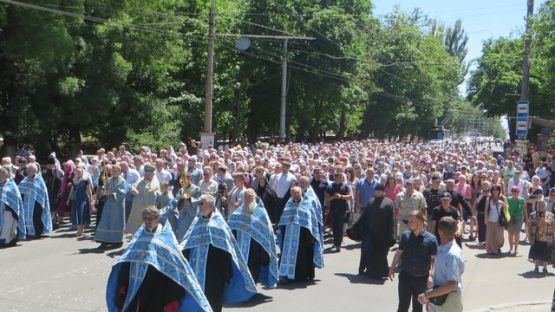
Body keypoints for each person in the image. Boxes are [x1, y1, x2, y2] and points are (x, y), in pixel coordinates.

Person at [106, 206, 212, 312]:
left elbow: (175, 270)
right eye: (145, 218)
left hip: (157, 291)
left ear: (157, 219)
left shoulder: (165, 240)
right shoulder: (139, 237)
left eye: (150, 219)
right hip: (135, 289)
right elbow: (127, 261)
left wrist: (171, 298)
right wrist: (123, 283)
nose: (147, 221)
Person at [181, 194, 257, 312]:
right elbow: (187, 245)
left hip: (214, 274)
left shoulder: (218, 224)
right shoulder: (196, 222)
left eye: (202, 203)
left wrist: (225, 274)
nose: (199, 206)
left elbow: (226, 251)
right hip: (195, 271)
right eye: (199, 203)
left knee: (213, 303)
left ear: (211, 207)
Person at [228, 189, 278, 287]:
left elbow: (267, 230)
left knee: (254, 266)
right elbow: (231, 225)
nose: (247, 198)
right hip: (241, 245)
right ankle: (245, 289)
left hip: (256, 244)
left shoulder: (261, 212)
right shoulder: (238, 211)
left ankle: (252, 287)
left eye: (250, 196)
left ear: (254, 197)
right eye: (246, 196)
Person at [389, 210, 438, 312]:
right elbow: (398, 252)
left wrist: (431, 276)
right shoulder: (405, 235)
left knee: (417, 308)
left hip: (421, 280)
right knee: (402, 306)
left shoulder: (431, 239)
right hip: (405, 277)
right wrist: (392, 267)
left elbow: (434, 260)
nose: (408, 223)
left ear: (420, 222)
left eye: (412, 221)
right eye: (408, 220)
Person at [277, 186, 324, 283]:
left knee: (302, 256)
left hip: (303, 236)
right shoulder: (288, 204)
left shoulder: (307, 204)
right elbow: (283, 219)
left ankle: (301, 276)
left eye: (297, 193)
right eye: (293, 193)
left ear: (301, 193)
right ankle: (285, 275)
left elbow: (311, 221)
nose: (295, 195)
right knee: (286, 255)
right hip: (288, 236)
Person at [417, 217, 465, 312]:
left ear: (439, 231)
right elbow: (437, 274)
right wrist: (430, 300)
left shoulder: (452, 254)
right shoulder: (441, 249)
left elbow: (451, 285)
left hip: (450, 301)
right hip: (438, 298)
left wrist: (427, 295)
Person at [348, 183, 395, 279]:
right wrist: (354, 228)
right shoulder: (371, 201)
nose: (377, 193)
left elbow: (391, 220)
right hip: (369, 233)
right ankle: (366, 270)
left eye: (379, 191)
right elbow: (364, 217)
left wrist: (391, 235)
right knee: (367, 251)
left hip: (382, 234)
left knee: (380, 254)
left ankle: (378, 273)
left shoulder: (389, 203)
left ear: (383, 192)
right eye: (375, 191)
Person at [95, 163, 126, 249]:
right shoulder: (108, 179)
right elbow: (105, 189)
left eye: (115, 171)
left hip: (117, 206)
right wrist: (104, 192)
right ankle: (104, 240)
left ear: (119, 171)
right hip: (108, 204)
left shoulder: (122, 181)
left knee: (116, 223)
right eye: (112, 171)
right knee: (106, 221)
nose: (114, 172)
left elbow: (123, 193)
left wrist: (112, 193)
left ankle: (117, 241)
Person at [18, 163, 52, 238]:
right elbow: (20, 189)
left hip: (37, 202)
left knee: (36, 217)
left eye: (29, 170)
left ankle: (37, 232)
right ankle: (28, 232)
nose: (27, 172)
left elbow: (43, 192)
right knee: (27, 217)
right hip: (27, 202)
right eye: (27, 170)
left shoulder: (39, 180)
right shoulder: (25, 180)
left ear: (34, 171)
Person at [126, 164, 160, 234]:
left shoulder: (155, 182)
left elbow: (158, 194)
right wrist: (133, 190)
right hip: (138, 208)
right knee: (137, 228)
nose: (147, 176)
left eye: (150, 174)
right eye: (146, 174)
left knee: (148, 224)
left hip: (150, 207)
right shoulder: (141, 180)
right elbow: (133, 186)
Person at [325, 169, 352, 252]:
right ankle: (336, 241)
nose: (342, 178)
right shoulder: (330, 186)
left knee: (340, 226)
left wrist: (341, 196)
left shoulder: (346, 186)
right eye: (340, 177)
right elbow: (327, 198)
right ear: (335, 177)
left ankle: (338, 244)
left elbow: (350, 196)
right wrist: (334, 197)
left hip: (342, 209)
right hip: (333, 209)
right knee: (334, 226)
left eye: (342, 177)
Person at [0, 167, 25, 246]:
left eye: (0, 175)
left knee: (8, 228)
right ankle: (7, 241)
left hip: (10, 209)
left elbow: (14, 196)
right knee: (5, 228)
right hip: (3, 210)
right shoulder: (3, 184)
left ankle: (9, 241)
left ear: (5, 175)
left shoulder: (11, 184)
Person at [527, 200, 554, 274]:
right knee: (536, 253)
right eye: (539, 206)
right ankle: (536, 267)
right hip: (535, 237)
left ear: (545, 207)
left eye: (542, 206)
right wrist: (529, 236)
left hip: (547, 237)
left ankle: (545, 268)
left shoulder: (551, 215)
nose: (540, 207)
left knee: (546, 253)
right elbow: (529, 226)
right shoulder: (532, 215)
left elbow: (553, 226)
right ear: (537, 206)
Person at [66, 165, 93, 237]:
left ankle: (80, 229)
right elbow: (72, 190)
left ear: (82, 172)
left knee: (82, 214)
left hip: (83, 199)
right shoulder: (74, 180)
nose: (78, 173)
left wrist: (90, 200)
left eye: (79, 172)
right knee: (76, 214)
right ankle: (80, 228)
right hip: (75, 199)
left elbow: (89, 190)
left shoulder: (85, 180)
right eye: (77, 172)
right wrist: (68, 199)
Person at [175, 173, 202, 241]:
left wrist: (190, 198)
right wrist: (180, 198)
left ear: (189, 179)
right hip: (182, 214)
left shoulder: (197, 189)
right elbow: (176, 200)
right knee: (181, 233)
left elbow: (199, 200)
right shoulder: (181, 190)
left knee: (191, 232)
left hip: (192, 214)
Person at [484, 184, 508, 255]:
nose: (495, 191)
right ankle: (492, 250)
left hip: (500, 220)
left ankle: (498, 246)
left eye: (497, 190)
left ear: (499, 190)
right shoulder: (489, 198)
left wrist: (502, 203)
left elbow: (507, 207)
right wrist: (485, 219)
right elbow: (486, 210)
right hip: (491, 219)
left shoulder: (503, 198)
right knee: (491, 235)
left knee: (499, 236)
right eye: (494, 190)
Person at [43, 156, 63, 229]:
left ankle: (55, 222)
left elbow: (60, 181)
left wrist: (54, 173)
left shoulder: (58, 172)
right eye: (48, 165)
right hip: (47, 194)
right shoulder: (44, 173)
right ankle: (50, 223)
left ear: (54, 164)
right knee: (49, 209)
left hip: (56, 194)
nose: (49, 166)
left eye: (51, 164)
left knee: (55, 209)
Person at [507, 186, 526, 256]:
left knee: (516, 233)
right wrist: (507, 218)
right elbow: (505, 209)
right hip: (510, 219)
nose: (514, 193)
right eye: (513, 191)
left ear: (518, 192)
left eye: (516, 191)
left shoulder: (522, 200)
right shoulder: (508, 199)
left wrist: (526, 219)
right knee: (510, 233)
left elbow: (524, 210)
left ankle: (516, 248)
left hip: (519, 218)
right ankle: (511, 248)